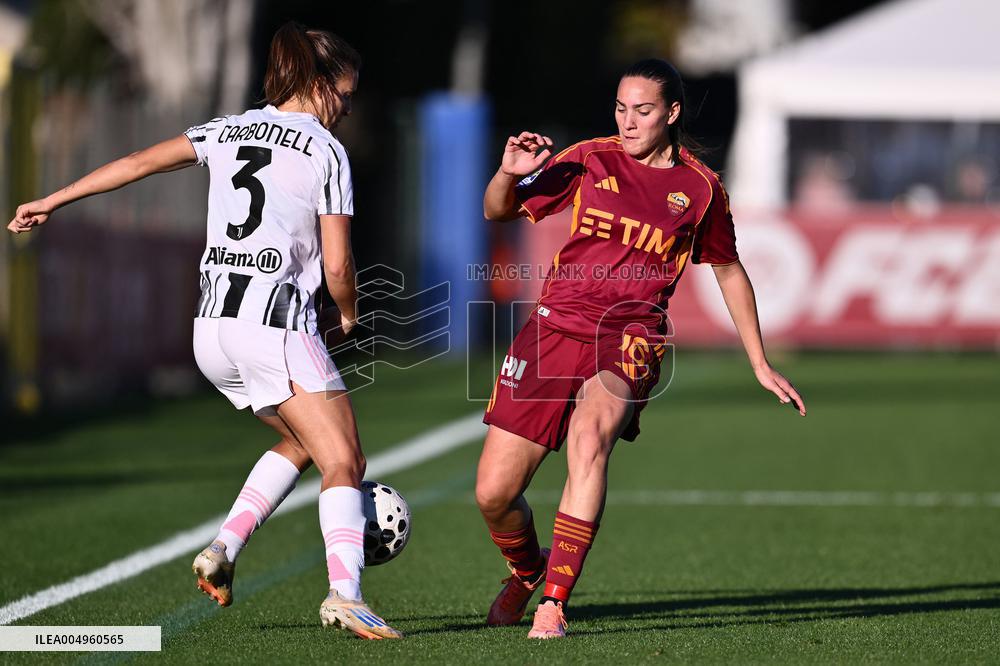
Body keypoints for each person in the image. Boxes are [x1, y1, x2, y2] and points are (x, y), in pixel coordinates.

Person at [7, 22, 402, 640]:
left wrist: (54, 200)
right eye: (345, 95)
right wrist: (349, 313)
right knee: (346, 460)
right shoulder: (326, 152)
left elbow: (138, 163)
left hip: (213, 331)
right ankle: (345, 596)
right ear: (320, 85)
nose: (347, 109)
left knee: (302, 443)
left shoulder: (228, 128)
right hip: (274, 326)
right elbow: (337, 264)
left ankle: (222, 548)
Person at [477, 59, 806, 639]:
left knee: (590, 437)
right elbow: (498, 209)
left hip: (630, 335)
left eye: (644, 110)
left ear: (672, 113)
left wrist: (758, 360)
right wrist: (508, 173)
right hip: (554, 325)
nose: (628, 122)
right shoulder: (590, 157)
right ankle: (529, 573)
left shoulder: (700, 188)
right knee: (494, 493)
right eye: (621, 108)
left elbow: (729, 270)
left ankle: (555, 601)